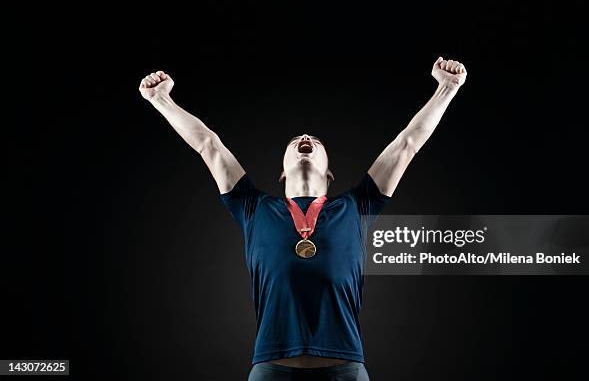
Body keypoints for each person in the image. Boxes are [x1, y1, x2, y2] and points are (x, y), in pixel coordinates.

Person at [139, 57, 467, 380]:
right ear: (282, 172)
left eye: (315, 141)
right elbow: (208, 144)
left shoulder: (357, 205)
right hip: (271, 368)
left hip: (346, 369)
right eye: (295, 141)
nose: (305, 139)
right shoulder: (252, 207)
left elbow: (407, 143)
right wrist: (161, 99)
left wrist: (447, 89)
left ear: (330, 170)